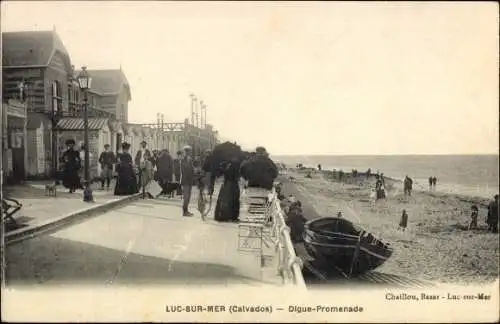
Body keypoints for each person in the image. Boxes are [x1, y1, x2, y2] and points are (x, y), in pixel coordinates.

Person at [214, 157, 242, 222]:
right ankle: (232, 217)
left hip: (226, 184)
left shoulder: (226, 164)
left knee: (225, 201)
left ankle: (223, 216)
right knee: (233, 200)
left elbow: (219, 172)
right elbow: (237, 177)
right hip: (232, 185)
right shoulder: (235, 165)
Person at [180, 145, 195, 216]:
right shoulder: (183, 159)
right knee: (186, 197)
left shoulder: (190, 159)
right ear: (184, 152)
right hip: (185, 181)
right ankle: (184, 211)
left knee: (188, 196)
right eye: (186, 151)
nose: (188, 153)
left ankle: (186, 210)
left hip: (190, 181)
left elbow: (191, 169)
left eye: (188, 151)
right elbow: (184, 169)